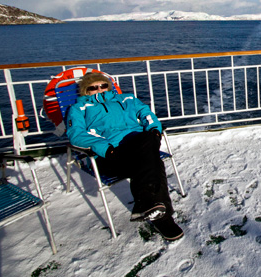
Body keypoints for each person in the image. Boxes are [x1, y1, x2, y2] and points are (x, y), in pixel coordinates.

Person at [66, 72, 183, 241]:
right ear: (86, 91)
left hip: (138, 146)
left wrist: (155, 132)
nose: (99, 89)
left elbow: (147, 115)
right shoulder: (78, 109)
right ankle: (162, 217)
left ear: (109, 86)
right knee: (153, 161)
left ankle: (149, 206)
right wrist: (106, 148)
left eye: (103, 86)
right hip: (109, 155)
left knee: (149, 138)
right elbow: (76, 134)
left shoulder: (126, 99)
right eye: (93, 88)